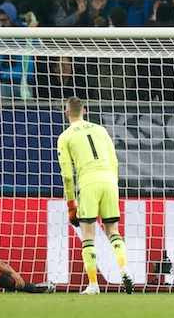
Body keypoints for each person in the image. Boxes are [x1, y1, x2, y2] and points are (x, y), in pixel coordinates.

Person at [57, 96, 133, 295]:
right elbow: (115, 161)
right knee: (113, 230)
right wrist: (112, 186)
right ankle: (124, 268)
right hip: (109, 180)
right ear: (85, 111)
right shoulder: (100, 130)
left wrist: (71, 204)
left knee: (88, 235)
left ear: (67, 113)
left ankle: (93, 285)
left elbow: (66, 175)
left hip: (89, 182)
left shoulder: (65, 136)